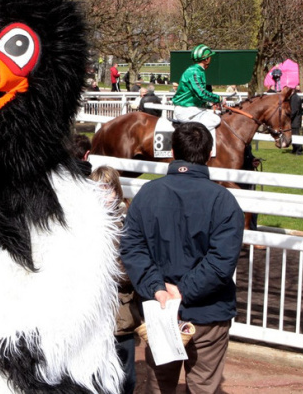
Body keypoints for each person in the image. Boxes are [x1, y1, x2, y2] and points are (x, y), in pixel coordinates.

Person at [121, 122, 244, 394]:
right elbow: (221, 262)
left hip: (162, 309)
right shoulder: (224, 201)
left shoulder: (147, 195)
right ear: (210, 154)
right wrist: (179, 290)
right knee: (202, 387)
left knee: (159, 387)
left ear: (173, 151)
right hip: (207, 315)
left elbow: (132, 247)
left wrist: (159, 289)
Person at [90, 165, 138, 394]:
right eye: (98, 188)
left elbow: (131, 270)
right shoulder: (84, 226)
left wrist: (106, 270)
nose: (104, 195)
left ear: (117, 192)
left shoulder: (127, 226)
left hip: (120, 313)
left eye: (108, 189)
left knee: (125, 375)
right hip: (92, 314)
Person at [172, 45, 225, 142]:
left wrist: (210, 103)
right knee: (215, 120)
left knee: (216, 115)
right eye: (210, 57)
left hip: (191, 109)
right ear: (206, 59)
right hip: (186, 110)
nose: (211, 59)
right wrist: (219, 99)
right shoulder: (194, 72)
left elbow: (198, 95)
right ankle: (196, 147)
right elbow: (201, 93)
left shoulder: (196, 70)